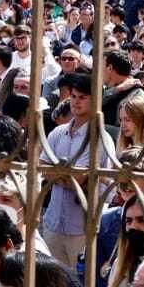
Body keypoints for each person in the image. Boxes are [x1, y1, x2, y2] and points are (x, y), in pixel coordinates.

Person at [40, 71, 113, 267]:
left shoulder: (99, 137)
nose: (76, 102)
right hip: (54, 224)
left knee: (82, 281)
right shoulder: (58, 133)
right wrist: (68, 176)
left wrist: (59, 175)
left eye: (82, 97)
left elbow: (79, 179)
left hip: (82, 227)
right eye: (73, 96)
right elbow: (43, 169)